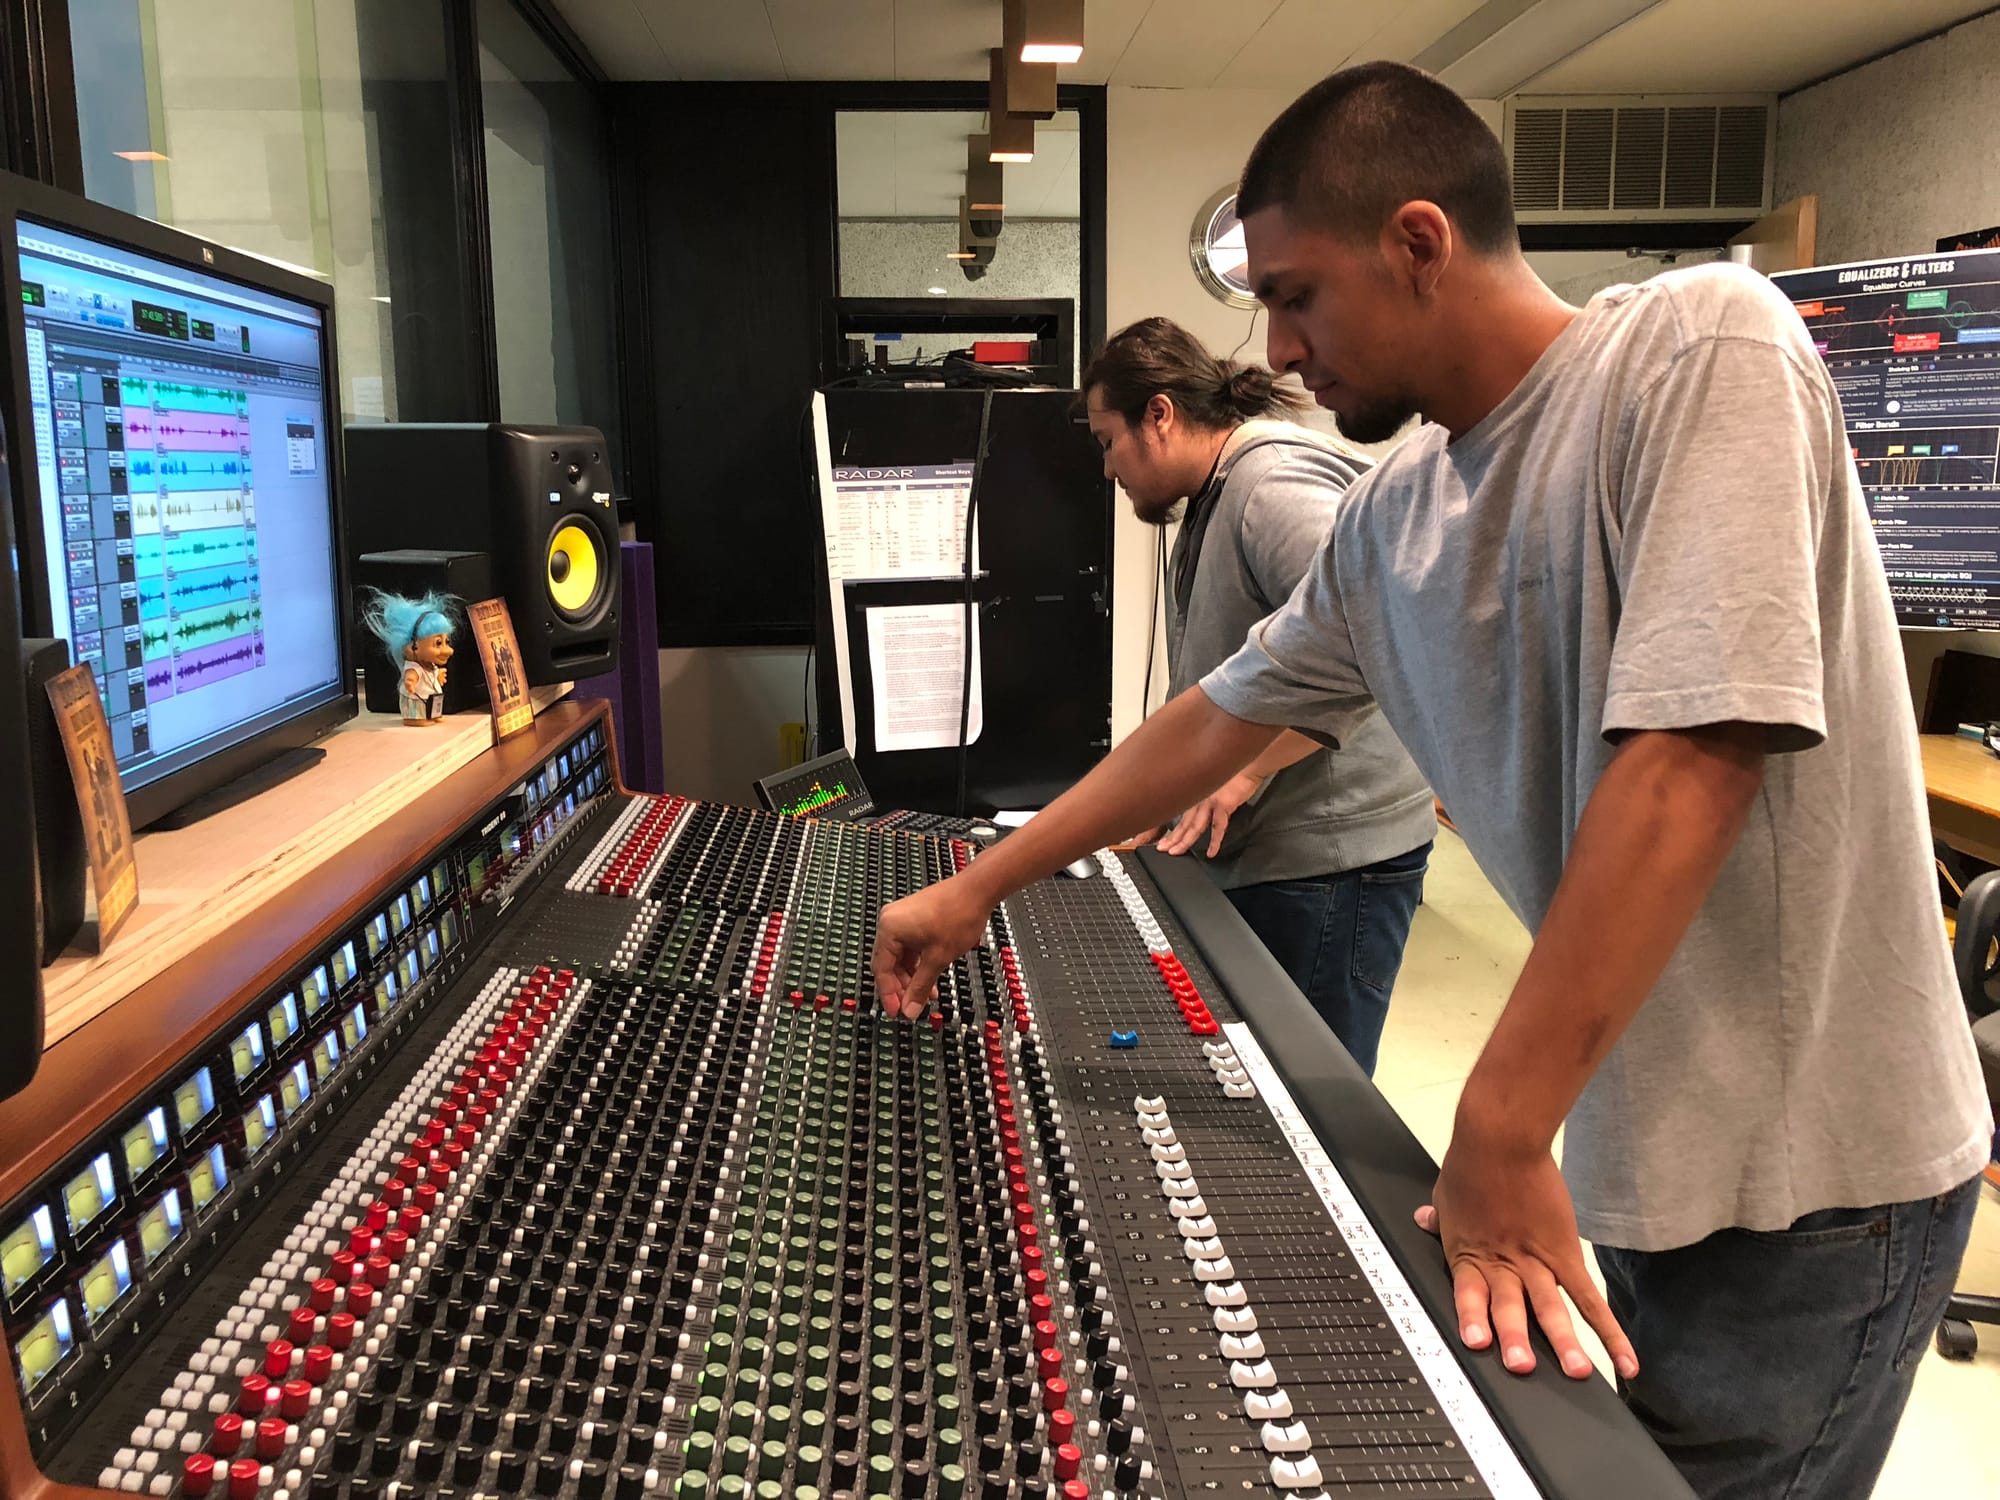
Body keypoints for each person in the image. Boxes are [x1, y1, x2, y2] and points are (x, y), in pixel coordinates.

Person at [873, 61, 1991, 1500]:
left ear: (1417, 242)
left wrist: (1501, 1121)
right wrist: (978, 886)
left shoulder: (1703, 346)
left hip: (1822, 1178)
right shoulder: (1397, 511)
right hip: (1645, 1142)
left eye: (1296, 295)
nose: (1275, 346)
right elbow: (1210, 719)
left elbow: (1697, 754)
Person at [1081, 317, 1434, 1075]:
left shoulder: (1270, 487)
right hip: (1286, 855)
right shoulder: (1220, 492)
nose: (1108, 469)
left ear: (1161, 415)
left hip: (1331, 864)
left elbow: (1375, 647)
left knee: (1309, 1095)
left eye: (1108, 441)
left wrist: (1242, 772)